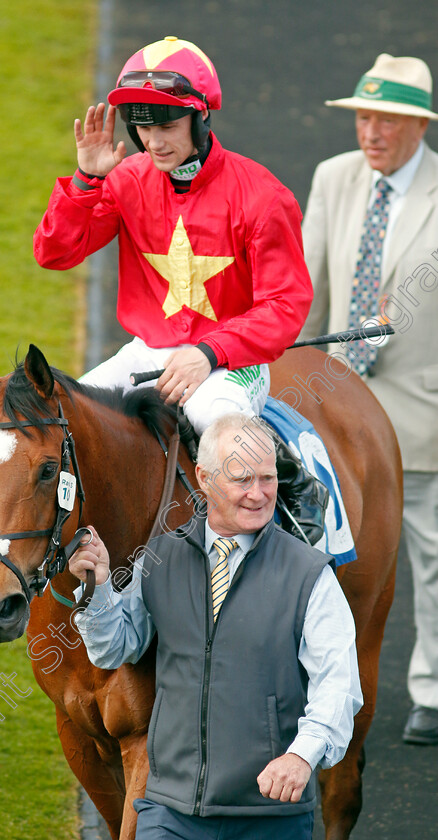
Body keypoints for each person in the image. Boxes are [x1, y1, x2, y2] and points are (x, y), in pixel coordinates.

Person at [33, 35, 329, 544]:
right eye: (144, 127)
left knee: (221, 432)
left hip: (231, 360)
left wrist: (209, 353)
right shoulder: (125, 180)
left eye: (167, 126)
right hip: (147, 350)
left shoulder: (262, 196)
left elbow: (285, 306)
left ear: (200, 118)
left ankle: (293, 500)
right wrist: (86, 180)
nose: (154, 142)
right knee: (63, 422)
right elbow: (54, 253)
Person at [70, 413, 363, 840]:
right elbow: (115, 648)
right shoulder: (159, 559)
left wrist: (301, 757)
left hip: (269, 817)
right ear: (205, 479)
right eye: (242, 479)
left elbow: (339, 684)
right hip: (169, 810)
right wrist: (97, 590)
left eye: (268, 478)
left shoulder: (309, 574)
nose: (259, 494)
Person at [300, 53, 438, 745]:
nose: (370, 130)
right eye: (362, 115)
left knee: (432, 557)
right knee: (324, 554)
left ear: (418, 126)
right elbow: (309, 290)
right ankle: (321, 680)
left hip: (423, 412)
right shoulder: (333, 178)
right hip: (334, 412)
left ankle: (432, 694)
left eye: (385, 118)